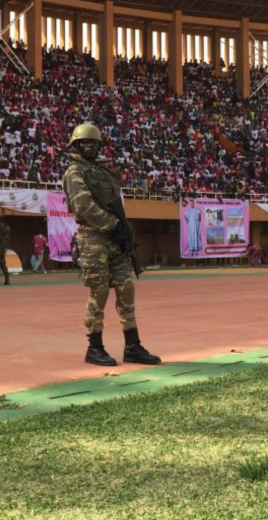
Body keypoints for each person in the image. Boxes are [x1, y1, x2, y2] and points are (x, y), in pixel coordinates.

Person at [62, 123, 160, 366]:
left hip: (113, 237)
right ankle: (94, 347)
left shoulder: (102, 172)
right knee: (100, 291)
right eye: (84, 142)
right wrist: (114, 226)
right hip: (93, 237)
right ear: (75, 145)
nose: (89, 146)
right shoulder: (74, 172)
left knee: (126, 287)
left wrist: (121, 228)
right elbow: (84, 207)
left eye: (93, 142)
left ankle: (133, 346)